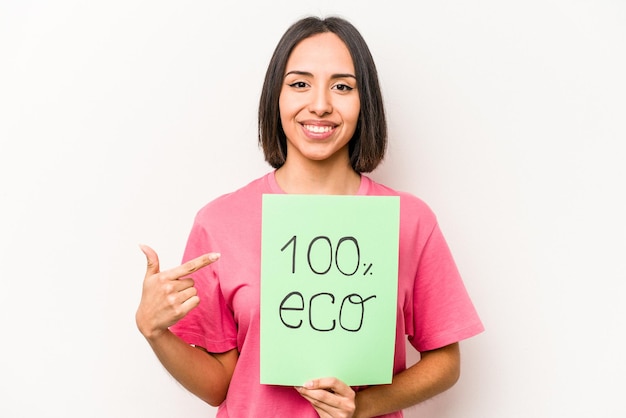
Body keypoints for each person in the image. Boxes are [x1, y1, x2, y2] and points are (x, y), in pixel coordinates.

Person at [136, 15, 484, 418]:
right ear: (276, 98)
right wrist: (155, 331)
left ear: (364, 102)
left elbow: (445, 361)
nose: (320, 104)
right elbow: (218, 386)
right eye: (300, 84)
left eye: (342, 86)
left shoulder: (410, 221)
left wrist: (363, 405)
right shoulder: (220, 222)